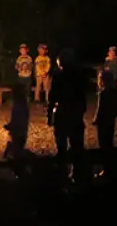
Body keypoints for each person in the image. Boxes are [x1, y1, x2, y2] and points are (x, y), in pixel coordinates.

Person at [47, 49, 88, 183]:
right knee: (77, 145)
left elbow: (52, 97)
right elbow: (82, 95)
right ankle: (78, 173)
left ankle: (63, 173)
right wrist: (82, 109)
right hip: (75, 113)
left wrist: (50, 115)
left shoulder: (58, 77)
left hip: (63, 113)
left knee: (62, 146)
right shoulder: (78, 76)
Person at [93, 66, 117, 177]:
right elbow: (116, 108)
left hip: (103, 122)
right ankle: (111, 168)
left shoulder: (103, 93)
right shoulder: (114, 92)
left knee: (104, 145)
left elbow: (100, 107)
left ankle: (107, 169)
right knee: (109, 143)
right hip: (110, 121)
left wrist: (96, 119)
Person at [4, 82, 29, 161]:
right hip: (20, 129)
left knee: (18, 148)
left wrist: (12, 126)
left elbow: (18, 117)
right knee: (18, 147)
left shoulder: (20, 103)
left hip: (19, 130)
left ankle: (12, 151)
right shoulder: (20, 103)